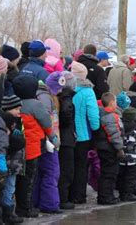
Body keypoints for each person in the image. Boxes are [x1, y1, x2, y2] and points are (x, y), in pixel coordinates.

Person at [12, 75, 54, 218]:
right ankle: (25, 208)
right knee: (29, 179)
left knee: (18, 178)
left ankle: (19, 206)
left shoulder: (14, 102)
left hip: (17, 147)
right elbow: (46, 123)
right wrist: (53, 137)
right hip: (32, 147)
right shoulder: (35, 105)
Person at [71, 61, 100, 204]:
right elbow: (93, 116)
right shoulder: (88, 91)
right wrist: (96, 129)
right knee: (82, 166)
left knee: (69, 165)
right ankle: (79, 195)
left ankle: (68, 194)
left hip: (67, 134)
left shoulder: (65, 89)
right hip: (83, 135)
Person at [33, 73, 63, 214]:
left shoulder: (41, 94)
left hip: (43, 140)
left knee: (41, 172)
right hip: (48, 142)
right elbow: (45, 120)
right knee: (51, 172)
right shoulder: (46, 97)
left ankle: (37, 202)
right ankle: (50, 204)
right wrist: (53, 139)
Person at [94, 93, 124, 205]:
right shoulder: (111, 117)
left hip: (102, 147)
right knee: (110, 174)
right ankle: (106, 197)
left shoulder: (100, 114)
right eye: (115, 102)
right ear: (112, 103)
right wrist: (120, 149)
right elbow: (115, 134)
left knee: (105, 173)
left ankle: (104, 195)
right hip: (109, 149)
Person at [0, 98, 24, 224]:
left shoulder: (13, 122)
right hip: (10, 164)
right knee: (8, 189)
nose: (19, 111)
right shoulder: (6, 125)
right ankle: (8, 214)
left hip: (13, 164)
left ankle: (8, 212)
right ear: (8, 110)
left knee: (10, 188)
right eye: (16, 109)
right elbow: (14, 144)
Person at [56, 71, 77, 210]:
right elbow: (66, 116)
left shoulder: (60, 96)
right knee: (67, 169)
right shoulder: (67, 98)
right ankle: (64, 198)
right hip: (66, 138)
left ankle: (62, 197)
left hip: (62, 137)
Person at [117, 107, 136, 202]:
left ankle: (121, 193)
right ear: (134, 117)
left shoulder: (119, 125)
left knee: (120, 176)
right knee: (131, 177)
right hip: (132, 158)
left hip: (120, 156)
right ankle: (128, 194)